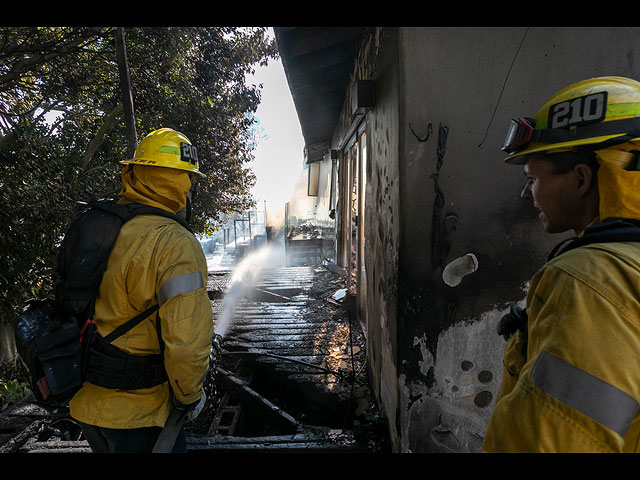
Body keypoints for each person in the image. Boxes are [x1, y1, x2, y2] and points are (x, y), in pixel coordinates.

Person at [483, 77, 640, 453]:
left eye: (533, 179)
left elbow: (555, 440)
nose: (526, 194)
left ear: (582, 178)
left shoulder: (587, 279)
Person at [69, 128, 214, 453]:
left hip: (90, 402)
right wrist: (190, 397)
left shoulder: (104, 225)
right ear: (177, 181)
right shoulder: (175, 244)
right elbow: (187, 345)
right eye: (189, 179)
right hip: (142, 414)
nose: (192, 187)